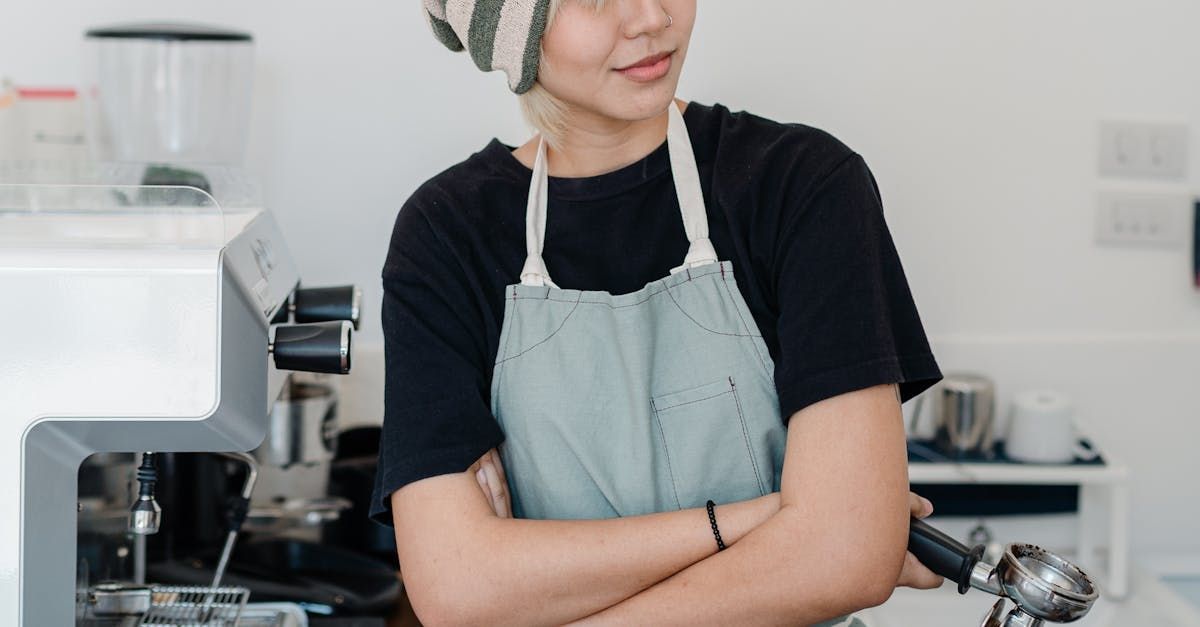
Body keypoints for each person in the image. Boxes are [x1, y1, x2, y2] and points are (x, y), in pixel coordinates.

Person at [371, 1, 946, 624]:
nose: (649, 17)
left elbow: (845, 554)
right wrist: (770, 517)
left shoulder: (803, 185)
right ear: (510, 35)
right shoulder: (447, 235)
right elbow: (457, 588)